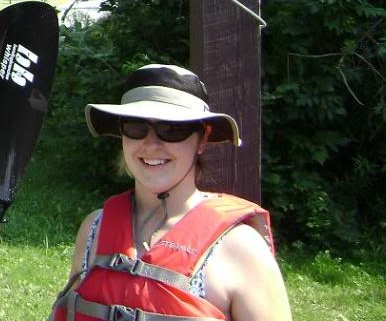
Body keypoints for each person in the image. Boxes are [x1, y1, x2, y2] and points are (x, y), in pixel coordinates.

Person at [49, 64, 291, 321]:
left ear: (203, 139)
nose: (151, 144)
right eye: (136, 126)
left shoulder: (241, 248)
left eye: (172, 129)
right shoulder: (94, 228)